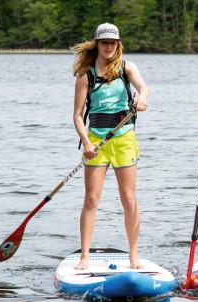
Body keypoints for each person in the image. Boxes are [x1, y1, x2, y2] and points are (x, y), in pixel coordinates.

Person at [72, 23, 148, 269]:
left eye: (113, 43)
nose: (109, 46)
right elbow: (76, 115)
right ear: (97, 44)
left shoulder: (127, 68)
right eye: (104, 42)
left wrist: (143, 98)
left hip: (124, 138)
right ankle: (85, 256)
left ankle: (133, 255)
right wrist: (86, 142)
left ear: (118, 45)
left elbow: (142, 88)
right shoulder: (87, 76)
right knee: (92, 199)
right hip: (95, 140)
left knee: (129, 199)